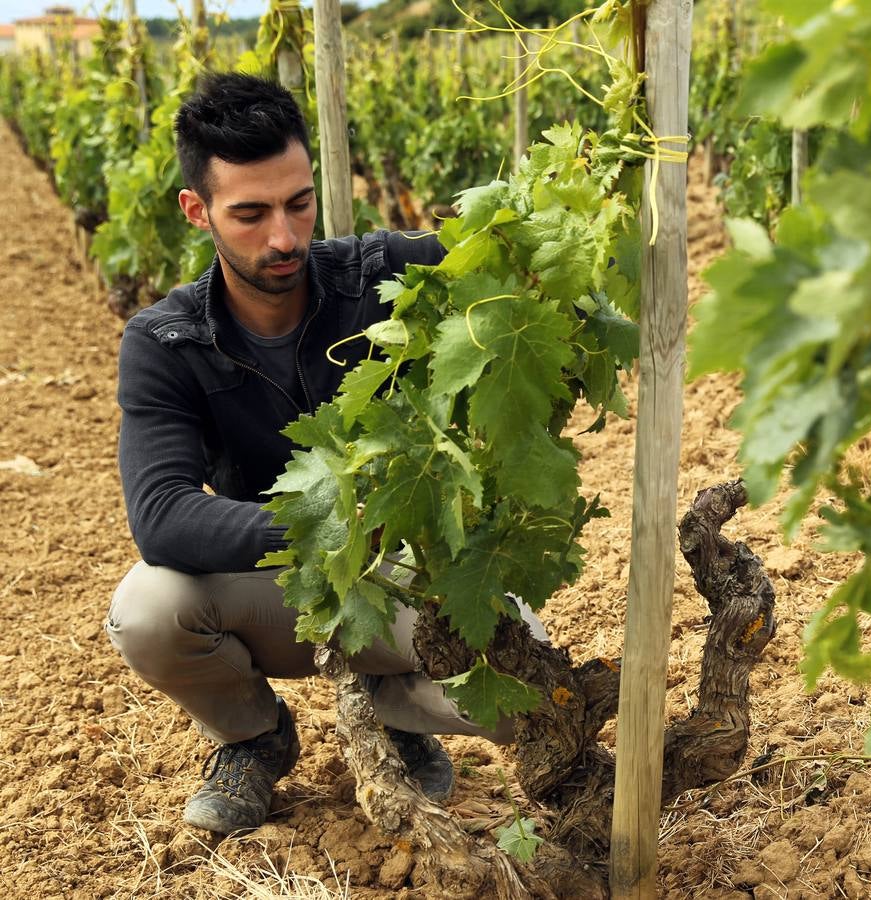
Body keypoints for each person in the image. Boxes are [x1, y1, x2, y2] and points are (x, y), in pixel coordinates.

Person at [105, 72, 546, 835]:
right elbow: (163, 519)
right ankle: (252, 739)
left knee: (519, 675)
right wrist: (336, 522)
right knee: (149, 610)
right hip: (286, 587)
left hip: (414, 583)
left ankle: (394, 705)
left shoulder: (388, 273)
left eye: (299, 203)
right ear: (195, 211)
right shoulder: (166, 341)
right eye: (250, 213)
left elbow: (516, 249)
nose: (283, 237)